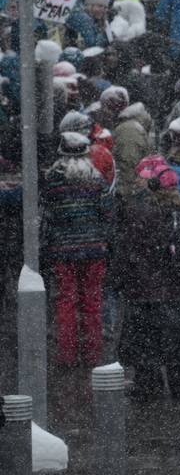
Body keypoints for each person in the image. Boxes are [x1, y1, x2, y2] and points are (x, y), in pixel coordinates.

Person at [115, 156, 180, 400]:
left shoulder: (141, 214)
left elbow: (128, 254)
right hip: (178, 295)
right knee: (178, 350)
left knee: (147, 349)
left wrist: (124, 282)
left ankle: (149, 389)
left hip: (147, 295)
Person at [41, 131, 112, 367]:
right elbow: (107, 213)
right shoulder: (97, 180)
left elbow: (47, 216)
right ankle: (92, 355)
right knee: (92, 301)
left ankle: (67, 355)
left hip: (62, 250)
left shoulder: (52, 180)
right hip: (93, 250)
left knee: (66, 301)